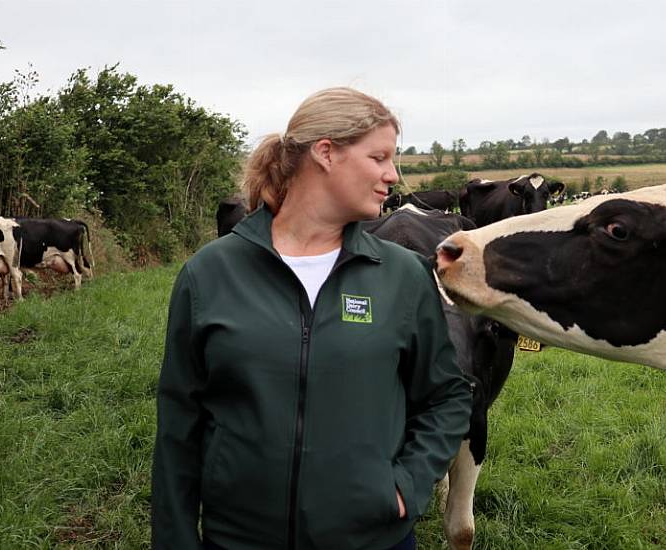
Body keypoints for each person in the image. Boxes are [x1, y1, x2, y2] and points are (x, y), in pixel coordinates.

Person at [151, 87, 472, 550]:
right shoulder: (210, 273)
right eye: (378, 157)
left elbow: (446, 395)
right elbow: (179, 424)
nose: (392, 175)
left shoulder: (402, 274)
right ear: (326, 153)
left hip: (373, 540)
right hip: (241, 540)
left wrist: (406, 485)